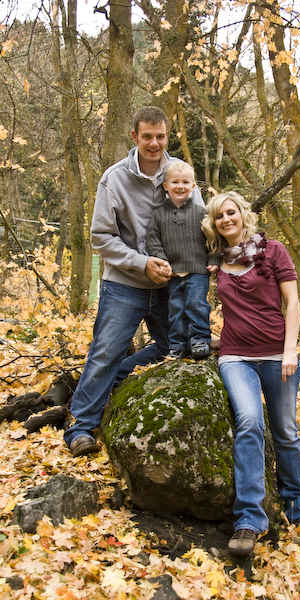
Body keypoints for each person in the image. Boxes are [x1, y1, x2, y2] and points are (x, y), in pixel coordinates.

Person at [64, 106, 205, 458]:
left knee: (179, 348)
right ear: (135, 137)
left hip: (172, 286)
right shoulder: (114, 179)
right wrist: (142, 263)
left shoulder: (181, 174)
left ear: (167, 136)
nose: (154, 143)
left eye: (161, 136)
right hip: (124, 285)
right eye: (147, 137)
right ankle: (81, 427)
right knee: (104, 353)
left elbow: (201, 225)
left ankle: (114, 379)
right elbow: (100, 237)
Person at [201, 191, 300, 557]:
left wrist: (290, 350)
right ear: (214, 223)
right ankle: (249, 520)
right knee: (250, 422)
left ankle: (297, 508)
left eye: (231, 212)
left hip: (277, 355)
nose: (226, 219)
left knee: (285, 431)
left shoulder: (273, 251)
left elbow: (293, 302)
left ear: (242, 214)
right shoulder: (216, 262)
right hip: (235, 356)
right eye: (219, 216)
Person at [146, 160, 219, 360]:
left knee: (197, 305)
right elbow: (153, 241)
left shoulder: (201, 213)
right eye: (175, 182)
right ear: (165, 186)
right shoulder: (158, 215)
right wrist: (162, 262)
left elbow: (213, 238)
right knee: (175, 309)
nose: (180, 186)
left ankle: (200, 340)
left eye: (185, 182)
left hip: (198, 270)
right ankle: (177, 344)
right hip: (173, 272)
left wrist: (214, 258)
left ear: (193, 186)